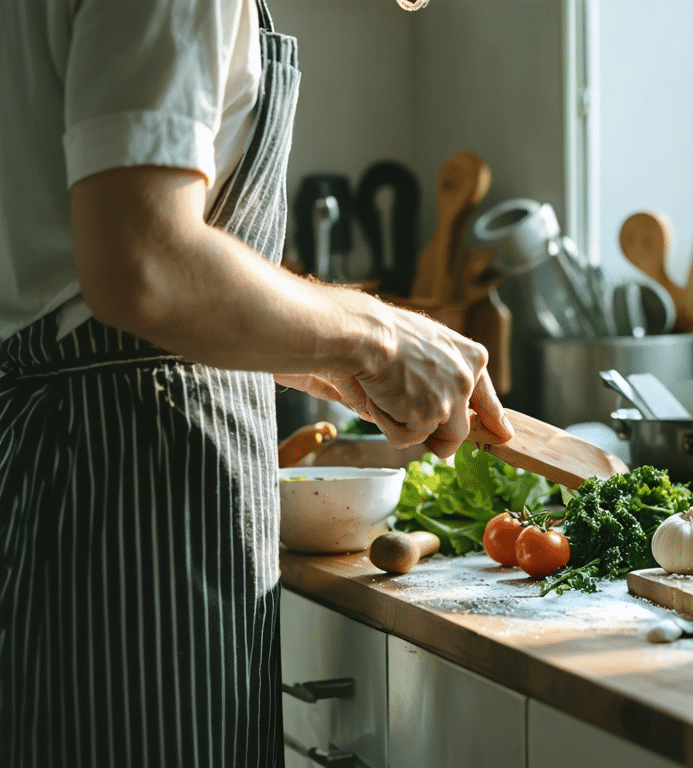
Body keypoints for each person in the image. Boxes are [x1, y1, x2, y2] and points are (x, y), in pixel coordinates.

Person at [0, 1, 509, 765]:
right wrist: (377, 333)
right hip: (125, 495)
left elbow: (72, 282)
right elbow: (142, 261)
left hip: (96, 472)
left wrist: (319, 352)